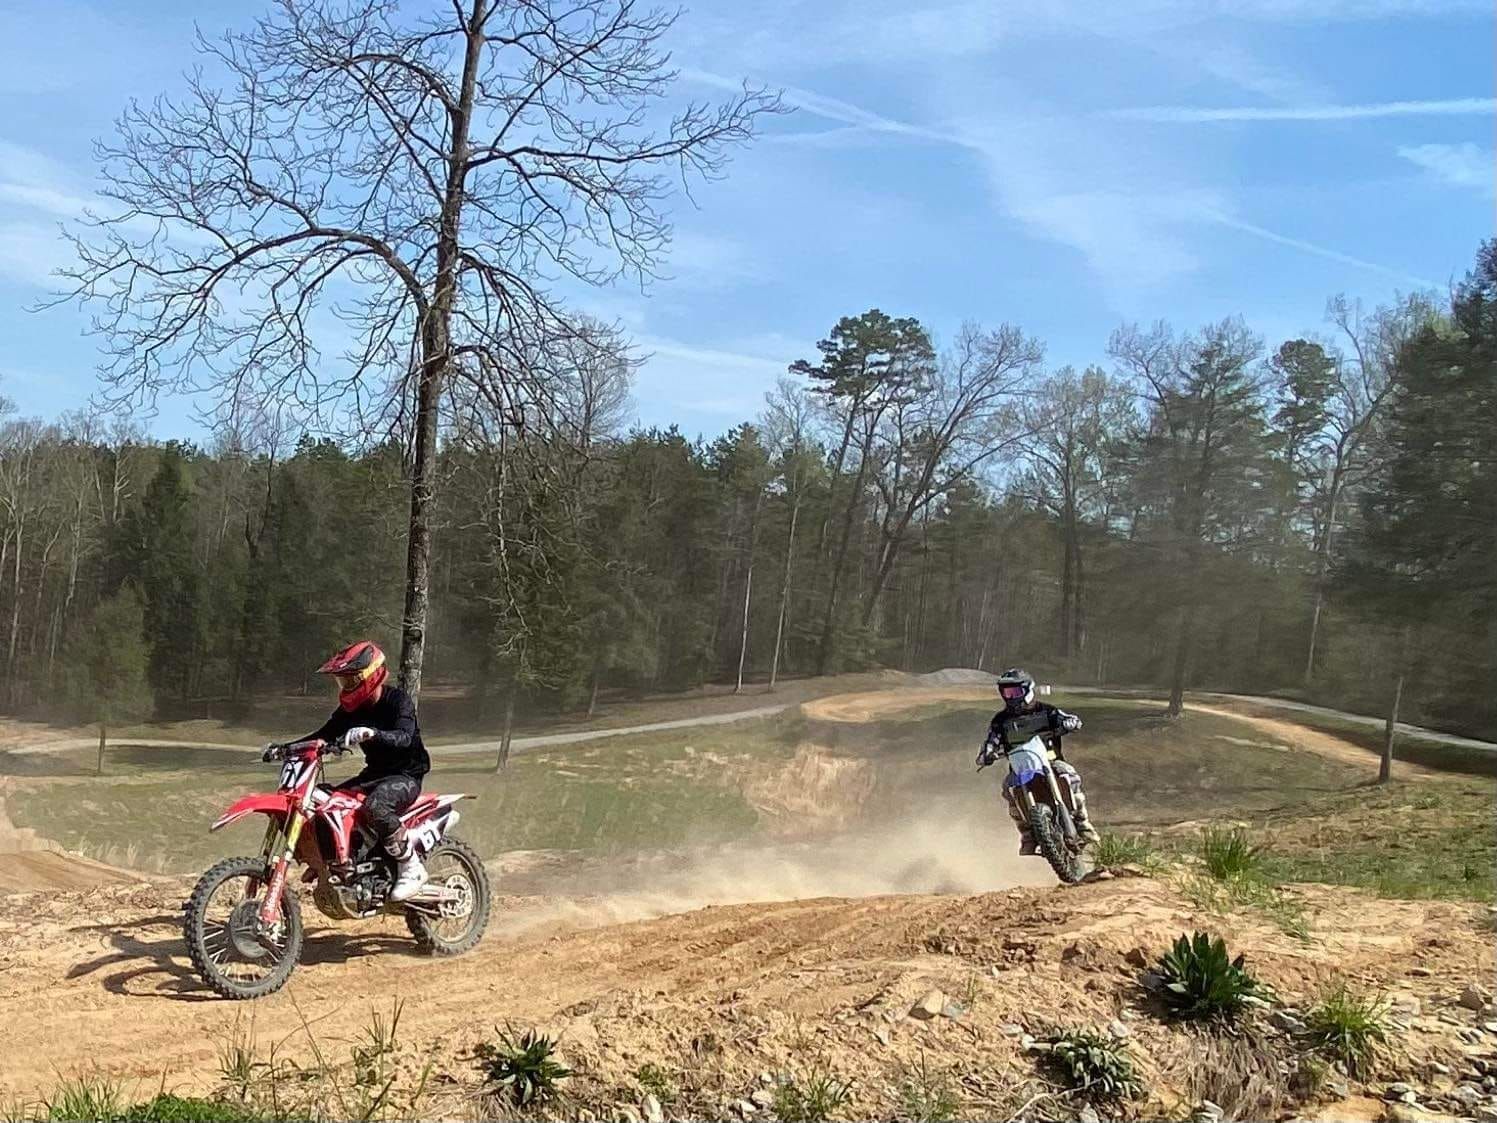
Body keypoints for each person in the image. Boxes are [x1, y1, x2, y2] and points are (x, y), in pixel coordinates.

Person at [274, 640, 432, 902]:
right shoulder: (351, 711)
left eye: (350, 680)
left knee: (376, 808)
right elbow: (323, 735)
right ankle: (338, 859)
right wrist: (284, 748)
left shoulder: (398, 701)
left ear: (371, 675)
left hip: (405, 775)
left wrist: (374, 733)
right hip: (373, 775)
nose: (346, 687)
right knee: (325, 800)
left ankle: (411, 867)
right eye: (342, 681)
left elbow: (405, 737)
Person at [976, 667, 1098, 854]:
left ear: (1028, 690)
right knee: (1009, 790)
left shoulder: (1046, 710)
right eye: (1006, 692)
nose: (1010, 697)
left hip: (1051, 763)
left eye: (1015, 692)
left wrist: (1070, 723)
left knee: (1071, 776)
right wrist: (987, 754)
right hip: (1020, 769)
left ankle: (1084, 827)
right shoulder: (1001, 720)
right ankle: (1027, 834)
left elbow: (1066, 718)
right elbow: (992, 739)